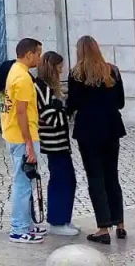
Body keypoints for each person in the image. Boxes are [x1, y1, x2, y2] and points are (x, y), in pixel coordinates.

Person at [67, 35, 127, 245]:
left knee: (95, 178)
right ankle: (120, 224)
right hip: (111, 127)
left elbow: (73, 104)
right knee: (112, 176)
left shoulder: (76, 74)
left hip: (88, 130)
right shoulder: (112, 71)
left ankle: (103, 227)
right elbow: (120, 102)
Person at [3, 37, 45, 244]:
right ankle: (18, 228)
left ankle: (26, 224)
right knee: (23, 183)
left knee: (26, 181)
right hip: (22, 137)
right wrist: (28, 143)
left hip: (13, 134)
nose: (40, 58)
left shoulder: (15, 71)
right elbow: (21, 112)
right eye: (38, 54)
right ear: (29, 54)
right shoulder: (23, 78)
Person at [35, 51, 79, 237]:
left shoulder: (47, 88)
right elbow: (50, 117)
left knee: (66, 179)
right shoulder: (43, 89)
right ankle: (57, 221)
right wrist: (65, 110)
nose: (61, 71)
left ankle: (63, 218)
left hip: (58, 141)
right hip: (54, 141)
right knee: (62, 180)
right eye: (59, 67)